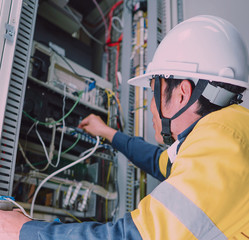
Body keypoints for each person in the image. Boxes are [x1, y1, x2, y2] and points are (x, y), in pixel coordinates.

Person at [1, 14, 249, 239]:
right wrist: (107, 133)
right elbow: (159, 162)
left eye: (154, 91)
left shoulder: (223, 140)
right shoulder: (223, 137)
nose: (151, 106)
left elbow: (132, 237)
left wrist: (22, 230)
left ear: (182, 94)